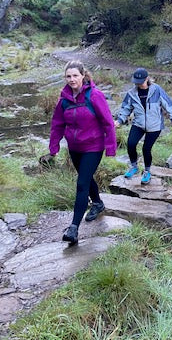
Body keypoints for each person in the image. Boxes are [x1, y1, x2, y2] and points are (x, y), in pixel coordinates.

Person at [43, 60, 117, 245]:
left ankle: (74, 228)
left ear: (83, 75)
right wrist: (54, 147)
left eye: (75, 75)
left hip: (93, 146)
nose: (72, 79)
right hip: (75, 148)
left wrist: (110, 147)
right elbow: (57, 124)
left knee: (82, 183)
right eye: (68, 76)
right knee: (87, 178)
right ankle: (98, 203)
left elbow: (108, 122)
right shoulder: (64, 99)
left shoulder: (95, 95)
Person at [115, 68, 172, 185]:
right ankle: (134, 167)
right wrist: (119, 120)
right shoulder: (132, 93)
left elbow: (168, 103)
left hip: (154, 126)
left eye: (141, 81)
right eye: (136, 81)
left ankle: (147, 171)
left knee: (146, 149)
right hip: (138, 124)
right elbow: (126, 108)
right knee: (131, 144)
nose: (138, 84)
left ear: (147, 79)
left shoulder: (157, 90)